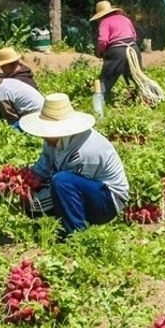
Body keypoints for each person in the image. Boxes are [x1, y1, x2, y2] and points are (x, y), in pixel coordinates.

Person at [19, 93, 129, 234]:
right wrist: (25, 181)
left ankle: (76, 234)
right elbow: (43, 166)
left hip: (107, 200)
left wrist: (34, 204)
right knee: (57, 183)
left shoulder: (86, 150)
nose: (42, 135)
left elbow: (69, 189)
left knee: (61, 181)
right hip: (81, 187)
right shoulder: (52, 139)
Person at [90, 0, 142, 98]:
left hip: (117, 51)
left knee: (106, 78)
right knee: (137, 76)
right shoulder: (125, 19)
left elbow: (103, 40)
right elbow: (134, 36)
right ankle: (148, 95)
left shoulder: (104, 22)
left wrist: (100, 51)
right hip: (134, 48)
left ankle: (100, 100)